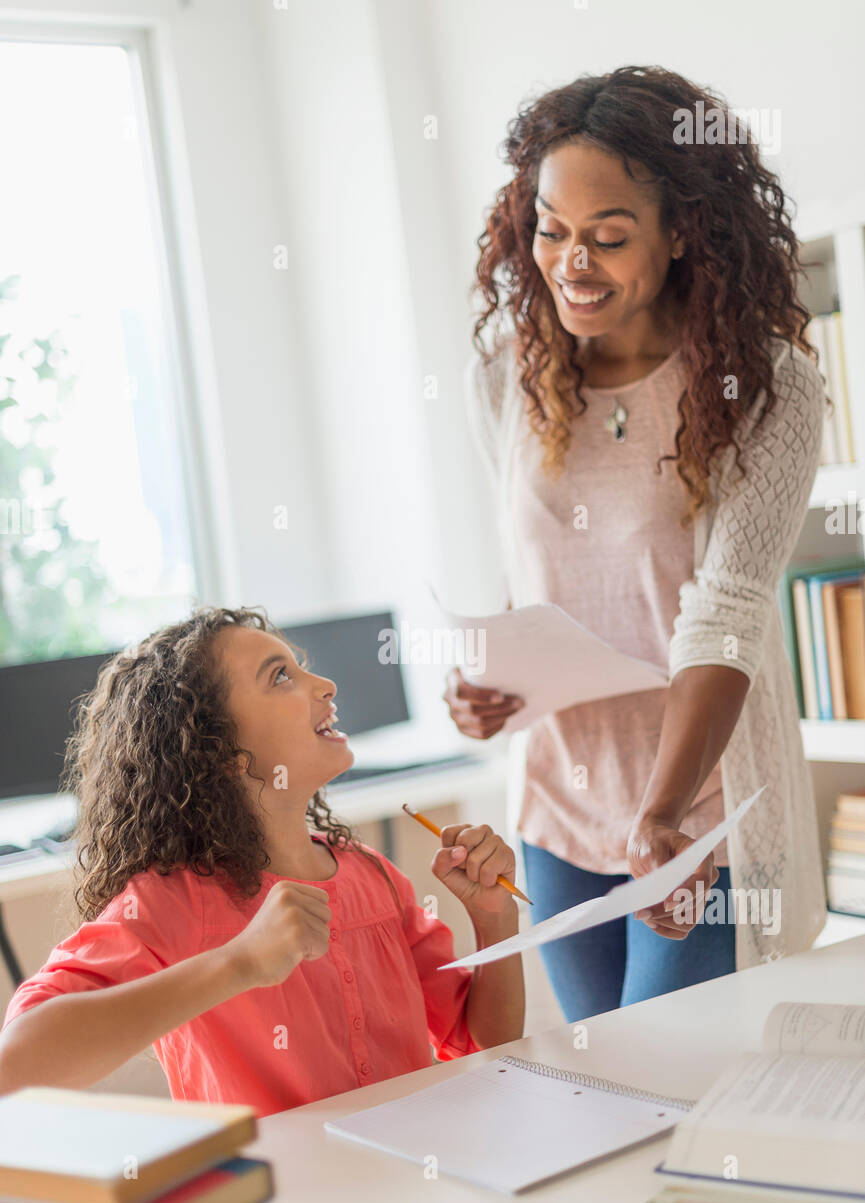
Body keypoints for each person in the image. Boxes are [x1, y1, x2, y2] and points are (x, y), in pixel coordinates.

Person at [445, 65, 825, 1023]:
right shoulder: (504, 380)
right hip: (558, 812)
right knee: (599, 1106)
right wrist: (483, 683)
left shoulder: (766, 386)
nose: (571, 262)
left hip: (699, 817)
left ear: (682, 231)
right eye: (550, 229)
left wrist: (661, 817)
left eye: (608, 238)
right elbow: (529, 572)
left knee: (682, 1105)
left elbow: (727, 609)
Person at [0, 607, 524, 1116]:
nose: (325, 684)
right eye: (279, 677)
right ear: (219, 748)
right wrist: (240, 963)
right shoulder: (167, 904)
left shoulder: (375, 877)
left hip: (416, 1186)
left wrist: (494, 918)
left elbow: (487, 1042)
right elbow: (18, 1065)